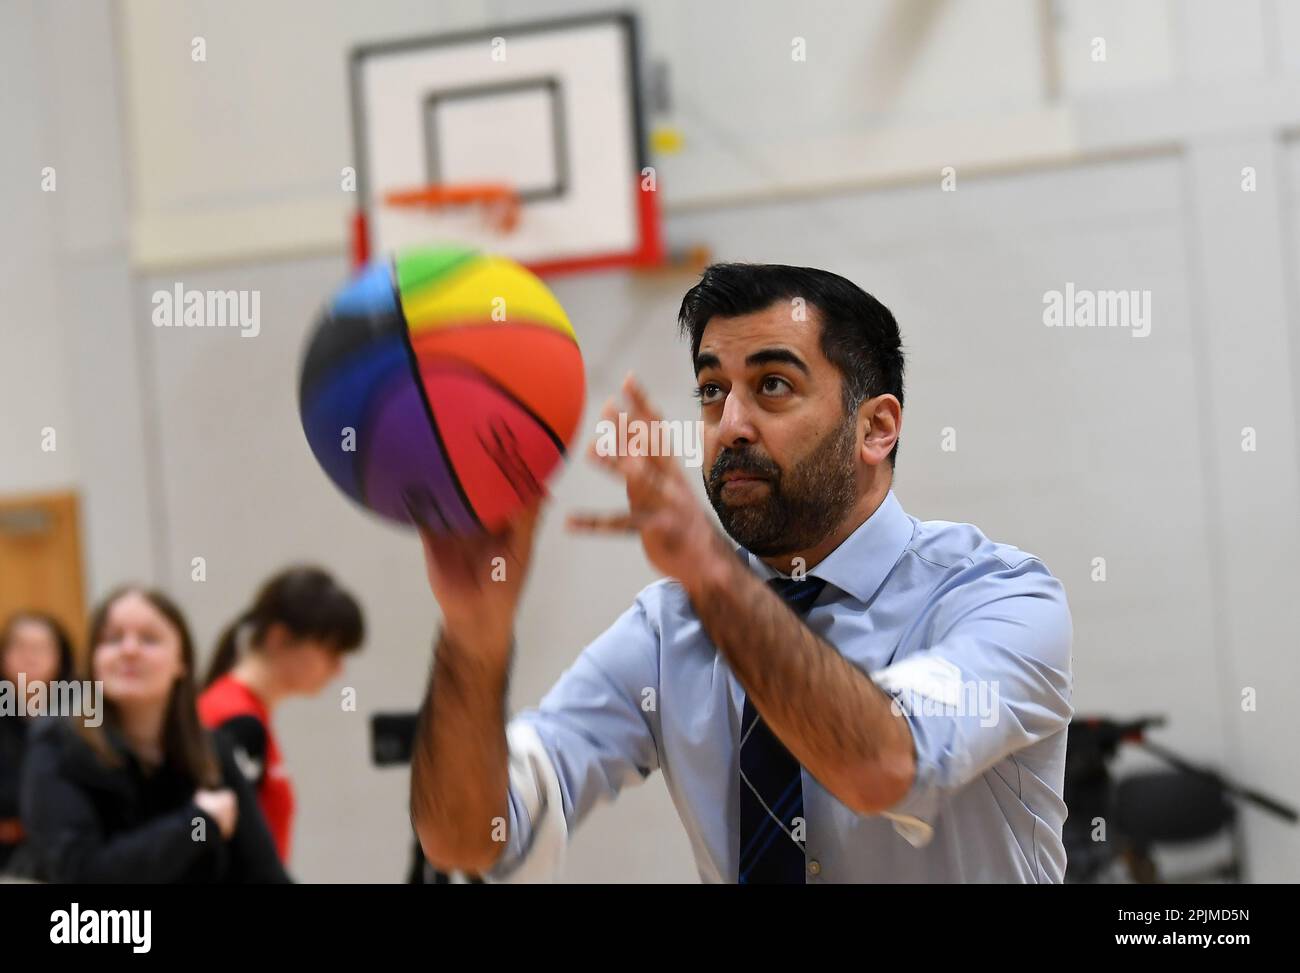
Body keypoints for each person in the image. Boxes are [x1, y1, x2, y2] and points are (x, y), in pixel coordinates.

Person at [410, 262, 1074, 883]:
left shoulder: (999, 597)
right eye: (711, 391)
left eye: (773, 386)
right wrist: (473, 635)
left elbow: (881, 765)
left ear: (876, 428)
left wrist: (711, 574)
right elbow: (469, 839)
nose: (730, 426)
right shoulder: (670, 629)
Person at [20, 586, 288, 883]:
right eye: (112, 639)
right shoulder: (58, 747)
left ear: (181, 662)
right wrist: (196, 823)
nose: (129, 650)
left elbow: (266, 875)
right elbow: (83, 874)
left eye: (149, 639)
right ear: (94, 660)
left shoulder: (212, 752)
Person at [199, 566, 363, 865]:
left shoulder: (246, 712)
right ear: (279, 638)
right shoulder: (232, 717)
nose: (339, 670)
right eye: (332, 652)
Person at [0, 612, 75, 872]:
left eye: (40, 647)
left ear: (60, 656)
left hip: (67, 847)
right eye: (19, 646)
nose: (29, 656)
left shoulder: (83, 712)